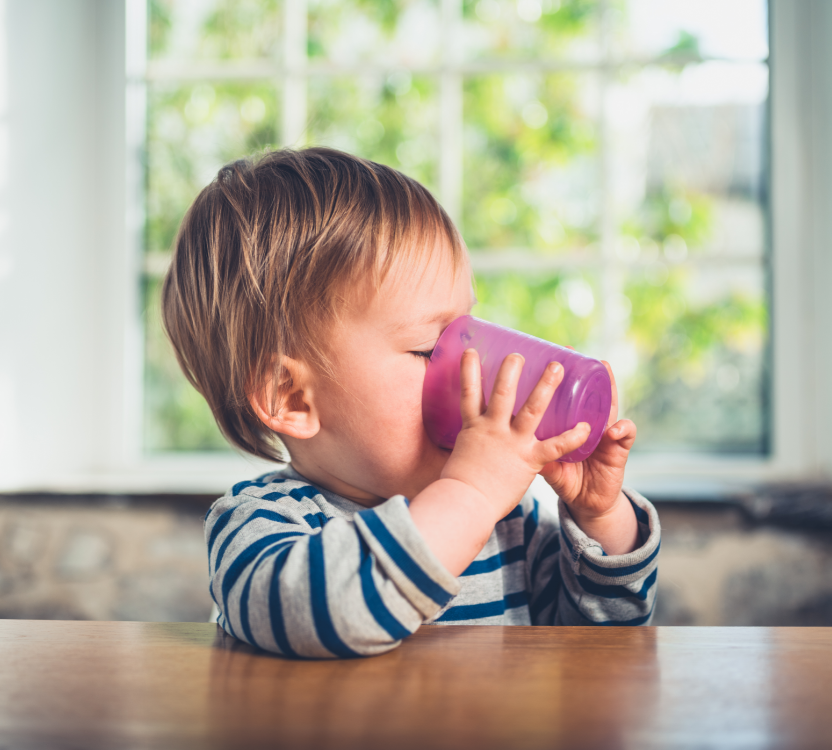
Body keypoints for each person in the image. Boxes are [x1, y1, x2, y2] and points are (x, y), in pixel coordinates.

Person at [161, 147, 659, 658]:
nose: (470, 372)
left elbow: (605, 639)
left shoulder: (513, 525)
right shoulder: (261, 525)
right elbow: (329, 617)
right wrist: (472, 494)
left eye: (469, 334)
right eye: (430, 349)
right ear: (291, 398)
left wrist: (601, 518)